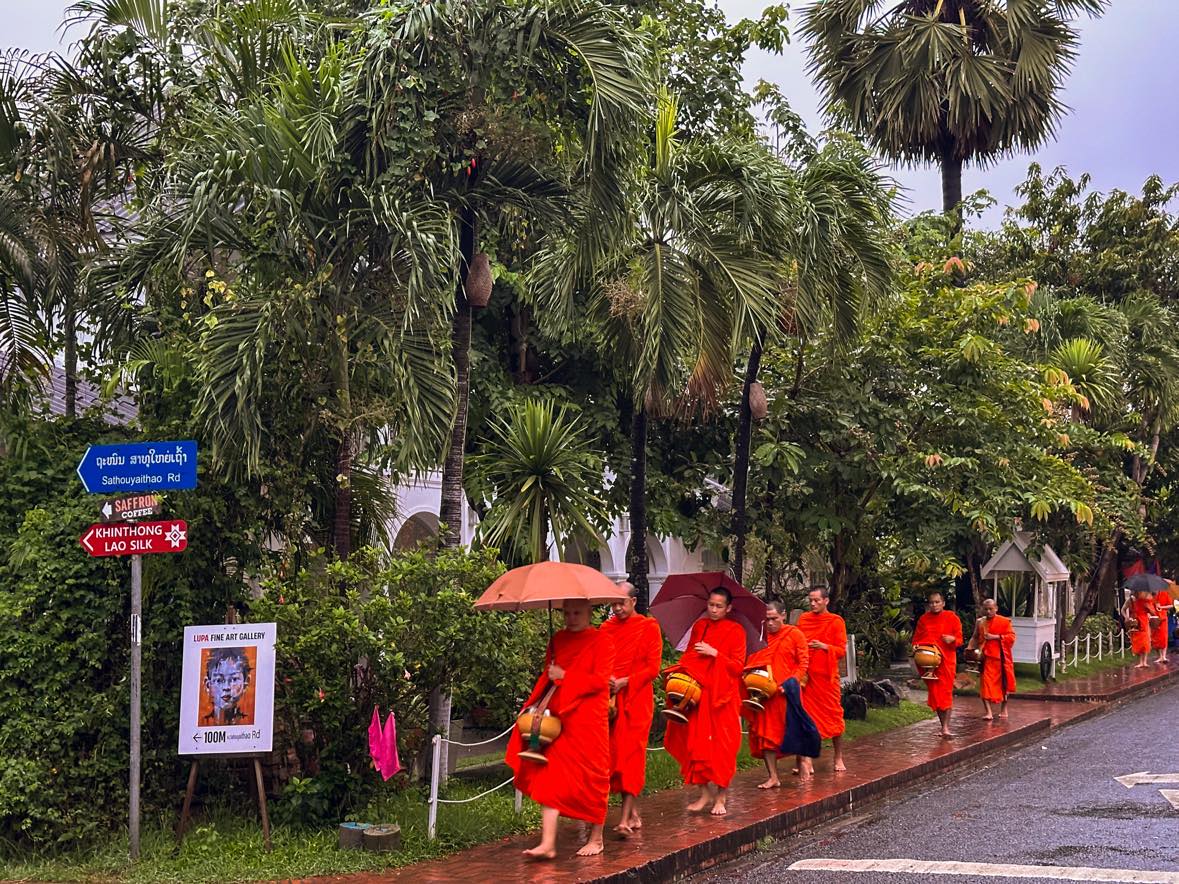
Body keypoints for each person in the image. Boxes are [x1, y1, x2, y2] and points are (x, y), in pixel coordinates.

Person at [506, 599, 613, 860]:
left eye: (577, 612)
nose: (571, 617)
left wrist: (566, 676)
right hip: (558, 718)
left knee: (593, 775)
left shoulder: (602, 641)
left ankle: (597, 838)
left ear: (590, 613)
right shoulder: (558, 639)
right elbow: (548, 676)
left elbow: (600, 681)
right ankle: (548, 843)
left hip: (588, 718)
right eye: (566, 612)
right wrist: (535, 704)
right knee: (551, 776)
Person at [664, 586, 746, 816]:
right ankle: (704, 793)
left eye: (719, 606)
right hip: (700, 695)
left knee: (722, 749)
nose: (713, 609)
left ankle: (721, 797)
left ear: (728, 608)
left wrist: (715, 654)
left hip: (723, 697)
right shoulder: (700, 626)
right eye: (710, 604)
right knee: (694, 745)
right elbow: (689, 657)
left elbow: (738, 667)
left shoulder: (736, 631)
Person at [599, 581, 663, 834]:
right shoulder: (605, 628)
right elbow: (600, 661)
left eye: (621, 603)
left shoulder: (648, 627)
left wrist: (627, 680)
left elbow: (653, 668)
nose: (617, 608)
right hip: (610, 702)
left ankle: (625, 819)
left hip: (636, 701)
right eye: (613, 603)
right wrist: (607, 679)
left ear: (634, 602)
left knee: (631, 757)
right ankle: (633, 814)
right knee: (613, 758)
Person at [741, 600, 808, 789]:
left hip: (788, 693)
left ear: (783, 615)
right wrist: (748, 674)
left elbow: (803, 663)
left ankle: (801, 762)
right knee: (766, 736)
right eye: (767, 619)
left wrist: (791, 682)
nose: (770, 623)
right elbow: (751, 661)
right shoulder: (759, 637)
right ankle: (773, 777)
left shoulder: (794, 634)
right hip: (765, 694)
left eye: (774, 619)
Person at [797, 586, 848, 774]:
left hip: (827, 679)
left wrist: (825, 646)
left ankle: (838, 757)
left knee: (835, 718)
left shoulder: (836, 622)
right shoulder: (804, 619)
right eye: (810, 600)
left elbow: (841, 651)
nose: (812, 604)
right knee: (806, 718)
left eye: (817, 600)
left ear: (826, 601)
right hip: (808, 679)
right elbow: (798, 644)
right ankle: (807, 759)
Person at [911, 591, 963, 738]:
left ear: (943, 603)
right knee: (936, 694)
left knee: (945, 693)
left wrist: (951, 639)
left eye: (937, 602)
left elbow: (959, 639)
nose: (934, 605)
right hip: (927, 663)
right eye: (931, 602)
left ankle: (946, 727)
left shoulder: (952, 617)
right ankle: (943, 726)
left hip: (946, 661)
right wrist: (915, 647)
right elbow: (916, 639)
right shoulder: (923, 619)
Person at [977, 598, 1016, 719]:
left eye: (991, 609)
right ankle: (988, 712)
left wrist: (996, 637)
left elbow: (1011, 637)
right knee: (985, 685)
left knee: (1004, 685)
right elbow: (975, 637)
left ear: (996, 609)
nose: (988, 611)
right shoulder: (980, 622)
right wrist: (971, 649)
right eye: (986, 609)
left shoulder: (1004, 622)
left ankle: (1004, 709)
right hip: (987, 659)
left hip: (1001, 659)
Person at [201, 648, 253, 726]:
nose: (226, 687)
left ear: (246, 683)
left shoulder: (249, 723)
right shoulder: (201, 724)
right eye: (219, 680)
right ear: (208, 685)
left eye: (234, 679)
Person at [1123, 589, 1153, 669]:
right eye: (1136, 592)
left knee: (1145, 642)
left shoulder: (1145, 600)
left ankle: (1145, 662)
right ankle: (1140, 662)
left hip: (1144, 622)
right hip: (1135, 622)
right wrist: (1126, 617)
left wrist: (1148, 608)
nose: (1138, 593)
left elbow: (1152, 612)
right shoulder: (1130, 600)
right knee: (1137, 642)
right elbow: (1123, 609)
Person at [1152, 584, 1171, 664]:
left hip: (1163, 618)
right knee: (1155, 638)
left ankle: (1164, 656)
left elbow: (1170, 605)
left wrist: (1161, 607)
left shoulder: (1164, 593)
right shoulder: (1150, 595)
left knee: (1163, 636)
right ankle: (1159, 656)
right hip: (1153, 619)